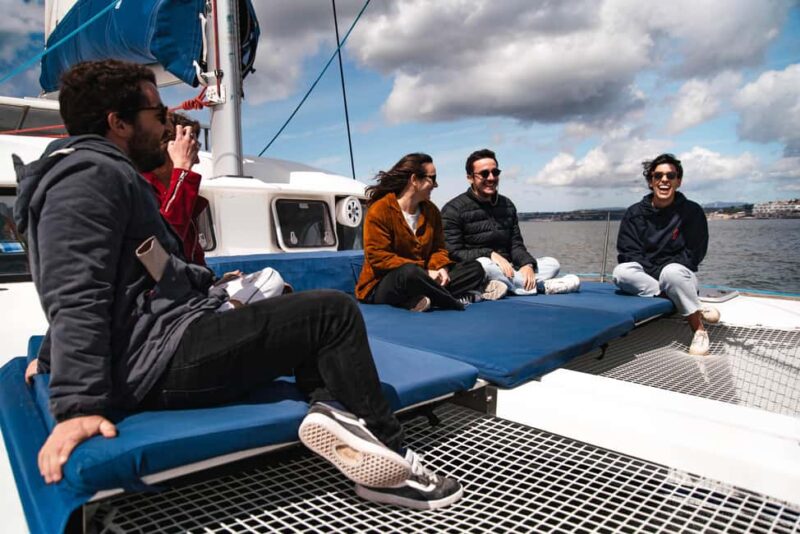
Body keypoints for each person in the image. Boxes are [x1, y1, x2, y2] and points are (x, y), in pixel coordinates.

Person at [14, 59, 462, 510]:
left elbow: (103, 279)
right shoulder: (88, 177)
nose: (168, 124)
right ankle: (392, 460)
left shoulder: (97, 172)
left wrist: (51, 353)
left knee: (296, 314)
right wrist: (78, 406)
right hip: (159, 360)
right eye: (157, 114)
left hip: (160, 341)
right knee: (332, 313)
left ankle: (336, 416)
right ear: (118, 123)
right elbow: (77, 292)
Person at [356, 153, 508, 312]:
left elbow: (439, 249)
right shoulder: (380, 210)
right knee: (409, 272)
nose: (436, 185)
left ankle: (421, 300)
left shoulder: (431, 211)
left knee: (475, 268)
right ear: (414, 180)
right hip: (384, 283)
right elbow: (378, 257)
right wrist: (425, 272)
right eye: (432, 178)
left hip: (425, 277)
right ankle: (450, 300)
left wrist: (441, 267)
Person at [612, 153, 720, 356]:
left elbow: (693, 254)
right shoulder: (635, 213)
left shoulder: (692, 211)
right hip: (647, 277)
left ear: (678, 181)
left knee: (672, 273)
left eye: (670, 176)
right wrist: (657, 274)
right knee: (621, 272)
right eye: (658, 176)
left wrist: (663, 273)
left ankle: (698, 330)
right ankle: (683, 300)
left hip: (678, 275)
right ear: (650, 181)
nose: (664, 180)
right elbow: (628, 253)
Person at [442, 149, 580, 295]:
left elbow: (516, 244)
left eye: (495, 172)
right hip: (480, 268)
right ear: (470, 178)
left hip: (509, 269)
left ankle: (504, 285)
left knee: (552, 264)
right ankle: (541, 287)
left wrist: (526, 264)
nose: (491, 178)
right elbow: (453, 252)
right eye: (484, 174)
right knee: (484, 265)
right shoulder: (453, 210)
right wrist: (490, 254)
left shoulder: (507, 205)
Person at [141, 111, 208, 266]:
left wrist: (213, 281)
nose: (196, 160)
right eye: (191, 152)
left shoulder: (177, 196)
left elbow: (194, 261)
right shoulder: (141, 190)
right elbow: (164, 246)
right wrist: (183, 168)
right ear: (168, 150)